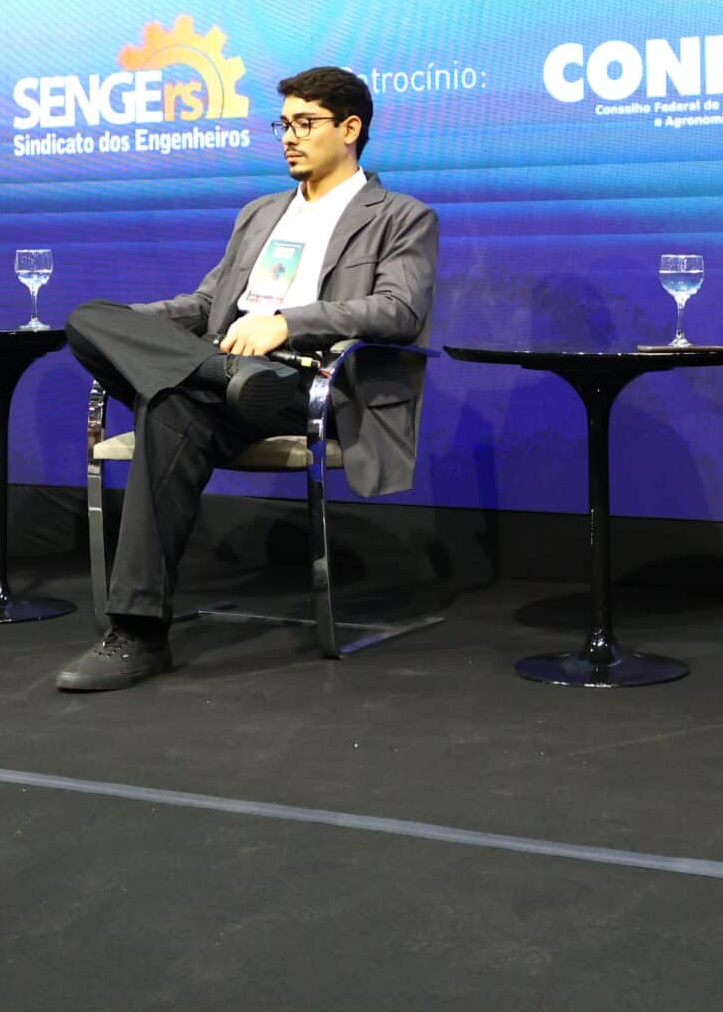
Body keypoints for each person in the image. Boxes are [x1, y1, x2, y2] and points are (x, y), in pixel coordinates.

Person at [57, 65, 438, 692]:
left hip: (304, 382)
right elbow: (208, 303)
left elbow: (398, 310)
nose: (289, 137)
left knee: (167, 402)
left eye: (305, 123)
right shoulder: (261, 213)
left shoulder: (400, 216)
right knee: (94, 323)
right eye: (282, 124)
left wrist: (287, 323)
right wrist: (126, 326)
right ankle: (217, 375)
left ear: (350, 128)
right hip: (224, 375)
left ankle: (136, 632)